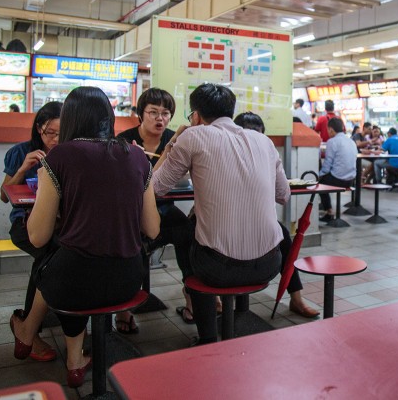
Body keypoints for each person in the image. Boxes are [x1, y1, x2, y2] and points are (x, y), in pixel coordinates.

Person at [9, 87, 159, 388]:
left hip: (74, 284)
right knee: (68, 264)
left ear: (71, 119)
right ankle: (69, 355)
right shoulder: (138, 157)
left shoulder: (61, 156)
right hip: (128, 281)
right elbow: (153, 229)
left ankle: (33, 334)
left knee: (59, 263)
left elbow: (37, 237)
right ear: (109, 117)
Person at [151, 83, 289, 344]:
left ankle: (207, 339)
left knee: (189, 239)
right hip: (269, 264)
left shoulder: (193, 136)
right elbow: (283, 195)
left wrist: (173, 142)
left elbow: (156, 187)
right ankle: (234, 319)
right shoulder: (264, 141)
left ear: (195, 116)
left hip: (217, 269)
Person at [117, 88, 195, 330]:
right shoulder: (125, 140)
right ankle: (123, 309)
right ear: (141, 114)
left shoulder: (176, 138)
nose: (160, 118)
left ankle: (192, 296)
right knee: (131, 247)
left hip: (165, 208)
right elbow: (143, 181)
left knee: (190, 234)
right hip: (133, 214)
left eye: (165, 113)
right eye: (153, 112)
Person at [232, 111, 319, 317]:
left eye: (259, 135)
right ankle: (214, 299)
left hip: (258, 221)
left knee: (283, 234)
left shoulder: (268, 155)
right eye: (248, 134)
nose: (254, 140)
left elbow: (282, 194)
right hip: (229, 222)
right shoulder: (225, 155)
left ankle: (296, 298)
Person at [0, 101, 62, 363]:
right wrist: (24, 168)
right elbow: (4, 196)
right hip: (24, 223)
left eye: (63, 133)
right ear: (39, 129)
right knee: (51, 254)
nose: (57, 139)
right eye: (51, 133)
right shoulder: (21, 152)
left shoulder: (69, 153)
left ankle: (28, 323)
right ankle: (28, 328)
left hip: (60, 224)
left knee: (56, 253)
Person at [318, 117, 357, 221]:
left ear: (330, 129)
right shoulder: (351, 141)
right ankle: (327, 208)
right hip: (351, 180)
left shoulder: (332, 141)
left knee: (320, 183)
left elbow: (327, 166)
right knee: (324, 179)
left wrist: (318, 175)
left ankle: (329, 211)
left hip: (338, 180)